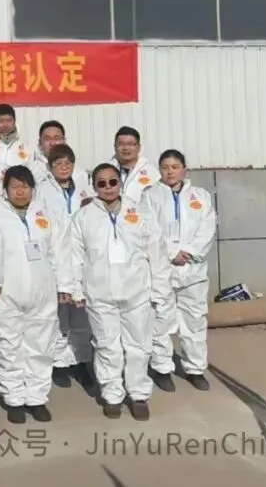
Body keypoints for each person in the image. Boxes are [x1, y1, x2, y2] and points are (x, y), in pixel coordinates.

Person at [68, 164, 171, 421]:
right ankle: (112, 394)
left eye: (112, 181)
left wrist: (159, 290)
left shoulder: (140, 212)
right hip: (99, 294)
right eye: (101, 183)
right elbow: (74, 256)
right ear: (94, 186)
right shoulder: (83, 217)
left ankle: (138, 395)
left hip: (137, 292)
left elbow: (157, 253)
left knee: (139, 346)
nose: (108, 187)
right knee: (106, 346)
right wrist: (76, 290)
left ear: (120, 183)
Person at [0, 166, 70, 424]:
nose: (20, 191)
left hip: (42, 292)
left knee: (41, 346)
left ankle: (36, 398)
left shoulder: (44, 214)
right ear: (5, 190)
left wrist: (65, 285)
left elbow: (59, 252)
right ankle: (14, 399)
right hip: (7, 292)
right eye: (14, 186)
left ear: (33, 189)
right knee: (8, 347)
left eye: (25, 186)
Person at [144, 150, 217, 392]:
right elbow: (148, 230)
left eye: (175, 166)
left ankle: (195, 369)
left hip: (192, 269)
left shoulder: (200, 196)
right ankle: (162, 368)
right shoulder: (150, 195)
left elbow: (208, 227)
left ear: (184, 169)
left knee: (194, 321)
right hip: (162, 269)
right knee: (161, 320)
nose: (170, 171)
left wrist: (189, 251)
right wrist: (171, 252)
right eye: (165, 167)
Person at [34, 143, 95, 389]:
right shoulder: (42, 190)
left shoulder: (84, 188)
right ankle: (59, 362)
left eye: (67, 163)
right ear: (50, 167)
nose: (63, 168)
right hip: (56, 257)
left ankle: (81, 360)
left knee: (81, 312)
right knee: (58, 313)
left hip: (81, 257)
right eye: (58, 164)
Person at [110, 126, 156, 205]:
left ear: (139, 147)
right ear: (115, 147)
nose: (125, 148)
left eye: (130, 144)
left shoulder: (151, 171)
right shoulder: (104, 170)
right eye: (121, 144)